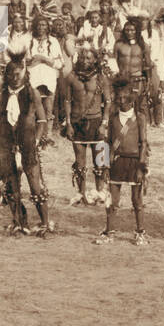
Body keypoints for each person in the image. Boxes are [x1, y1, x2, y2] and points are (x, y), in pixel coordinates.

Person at [0, 56, 53, 237]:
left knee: (35, 186)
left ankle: (45, 223)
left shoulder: (32, 93)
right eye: (11, 74)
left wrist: (34, 141)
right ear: (7, 75)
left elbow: (42, 120)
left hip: (27, 145)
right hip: (6, 145)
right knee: (11, 186)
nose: (15, 77)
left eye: (18, 74)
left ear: (25, 74)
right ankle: (19, 221)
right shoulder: (1, 95)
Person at [94, 78, 149, 246]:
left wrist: (141, 167)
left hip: (134, 162)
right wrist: (104, 166)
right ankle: (109, 232)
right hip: (116, 162)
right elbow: (107, 143)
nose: (121, 98)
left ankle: (140, 232)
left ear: (131, 96)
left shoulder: (139, 118)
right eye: (118, 95)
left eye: (124, 95)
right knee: (112, 200)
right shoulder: (112, 118)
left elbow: (143, 144)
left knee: (137, 200)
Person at [60, 45, 111, 207]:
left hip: (96, 121)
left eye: (89, 58)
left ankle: (100, 192)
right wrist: (68, 123)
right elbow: (67, 101)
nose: (85, 60)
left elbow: (108, 103)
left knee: (100, 161)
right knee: (80, 162)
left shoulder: (101, 78)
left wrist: (104, 124)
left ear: (95, 59)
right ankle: (81, 193)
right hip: (77, 122)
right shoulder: (71, 77)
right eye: (82, 57)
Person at [25, 13, 65, 147]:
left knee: (48, 108)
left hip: (48, 79)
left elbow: (60, 63)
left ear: (48, 27)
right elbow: (19, 59)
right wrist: (30, 61)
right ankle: (31, 136)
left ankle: (46, 137)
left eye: (44, 25)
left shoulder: (53, 41)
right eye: (38, 25)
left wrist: (43, 59)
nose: (41, 27)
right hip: (32, 79)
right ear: (34, 26)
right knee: (31, 109)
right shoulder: (27, 39)